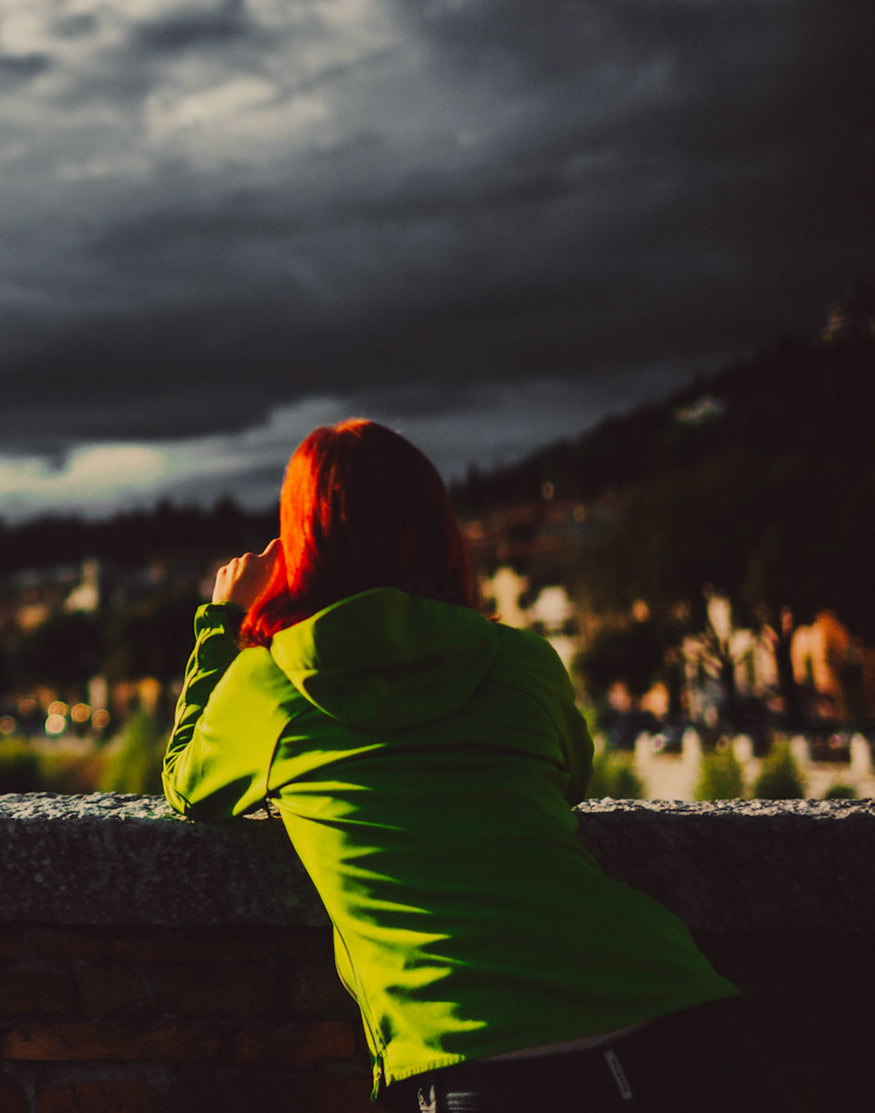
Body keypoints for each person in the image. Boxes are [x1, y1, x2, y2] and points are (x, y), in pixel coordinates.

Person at [163, 419, 779, 1111]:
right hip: (683, 1028)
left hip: (479, 1061)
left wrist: (221, 621)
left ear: (302, 539)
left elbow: (187, 782)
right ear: (436, 528)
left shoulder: (268, 684)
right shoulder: (520, 658)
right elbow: (568, 777)